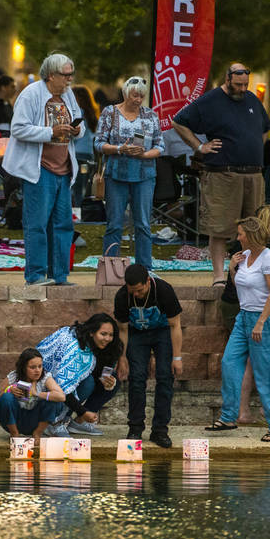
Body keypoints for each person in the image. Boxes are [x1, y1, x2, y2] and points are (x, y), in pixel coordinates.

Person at [172, 62, 270, 286]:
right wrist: (200, 146)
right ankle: (219, 276)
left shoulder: (253, 100)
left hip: (253, 175)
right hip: (223, 174)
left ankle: (249, 274)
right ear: (227, 79)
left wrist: (254, 148)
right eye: (238, 85)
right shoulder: (210, 100)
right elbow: (179, 122)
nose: (243, 89)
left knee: (254, 228)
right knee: (219, 227)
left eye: (246, 84)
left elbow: (265, 128)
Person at [3, 53, 84, 286]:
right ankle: (36, 275)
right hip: (39, 169)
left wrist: (78, 130)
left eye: (71, 75)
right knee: (37, 224)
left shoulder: (68, 96)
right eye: (65, 75)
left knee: (63, 225)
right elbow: (18, 128)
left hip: (64, 169)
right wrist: (51, 132)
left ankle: (59, 275)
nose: (69, 80)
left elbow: (81, 122)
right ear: (51, 75)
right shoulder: (31, 94)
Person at [206, 215, 270, 441]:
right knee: (229, 362)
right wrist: (232, 268)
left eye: (240, 233)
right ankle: (229, 416)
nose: (237, 237)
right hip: (243, 317)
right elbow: (241, 284)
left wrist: (261, 321)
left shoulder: (268, 259)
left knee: (262, 375)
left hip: (265, 320)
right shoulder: (245, 255)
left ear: (250, 236)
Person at [95, 77, 165, 269]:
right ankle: (110, 269)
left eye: (141, 96)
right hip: (116, 175)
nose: (138, 99)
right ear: (126, 93)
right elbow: (99, 143)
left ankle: (145, 270)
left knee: (143, 224)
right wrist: (120, 149)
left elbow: (160, 145)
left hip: (144, 175)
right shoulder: (110, 113)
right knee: (114, 224)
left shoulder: (151, 115)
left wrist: (144, 154)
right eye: (135, 95)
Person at [113, 264, 183, 448]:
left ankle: (160, 430)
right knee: (136, 378)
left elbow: (175, 325)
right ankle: (135, 427)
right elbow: (122, 330)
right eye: (132, 291)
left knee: (164, 376)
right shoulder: (122, 296)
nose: (136, 294)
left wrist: (177, 358)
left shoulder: (164, 290)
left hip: (162, 332)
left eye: (140, 290)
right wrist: (122, 358)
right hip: (136, 334)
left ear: (147, 282)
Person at [36, 313, 123, 437]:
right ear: (92, 332)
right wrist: (83, 411)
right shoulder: (75, 349)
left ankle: (77, 423)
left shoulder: (109, 346)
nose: (108, 339)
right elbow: (62, 384)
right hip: (46, 389)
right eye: (103, 334)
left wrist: (108, 382)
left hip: (68, 384)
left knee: (114, 380)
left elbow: (100, 370)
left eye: (111, 335)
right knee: (88, 383)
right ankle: (53, 421)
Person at [0, 347, 66, 445]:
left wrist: (37, 393)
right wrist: (8, 390)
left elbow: (61, 397)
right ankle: (14, 434)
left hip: (35, 421)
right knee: (6, 397)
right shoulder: (14, 376)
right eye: (32, 367)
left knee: (54, 400)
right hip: (14, 420)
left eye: (40, 366)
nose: (37, 370)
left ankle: (37, 433)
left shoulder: (45, 377)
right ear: (23, 367)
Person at [71, 85, 99, 207]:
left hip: (77, 154)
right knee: (83, 185)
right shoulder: (91, 114)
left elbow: (73, 136)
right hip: (88, 155)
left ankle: (77, 211)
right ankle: (81, 210)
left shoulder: (79, 113)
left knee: (75, 185)